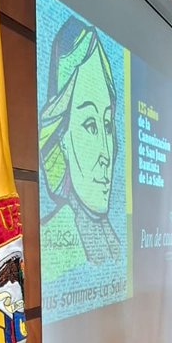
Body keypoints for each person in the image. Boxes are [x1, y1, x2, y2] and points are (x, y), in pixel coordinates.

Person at [39, 16, 121, 270]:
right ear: (61, 137)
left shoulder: (111, 241)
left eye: (108, 125)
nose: (106, 155)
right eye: (90, 125)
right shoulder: (53, 247)